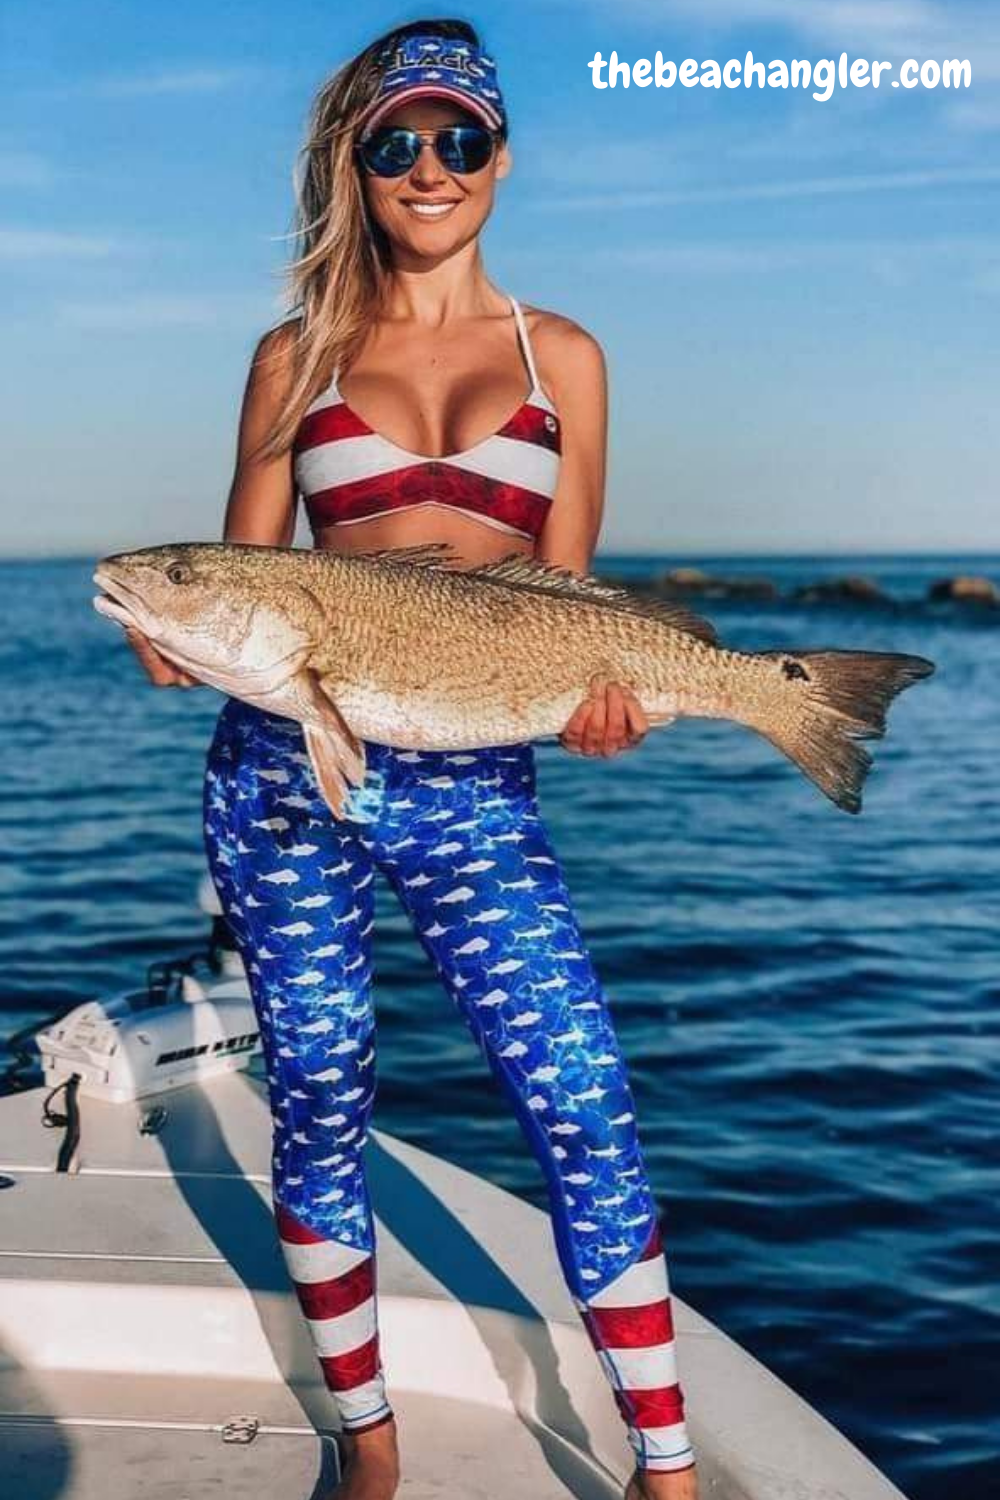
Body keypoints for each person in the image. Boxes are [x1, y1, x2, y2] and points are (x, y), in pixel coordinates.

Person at [125, 19, 698, 1500]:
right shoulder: (294, 353)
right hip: (285, 775)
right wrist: (172, 626)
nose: (429, 169)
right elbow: (243, 568)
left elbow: (567, 594)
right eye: (396, 143)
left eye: (459, 139)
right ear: (355, 164)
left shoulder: (561, 355)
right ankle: (370, 1447)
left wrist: (605, 698)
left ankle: (669, 1464)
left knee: (579, 1094)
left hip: (474, 780)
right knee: (319, 1093)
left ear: (502, 155)